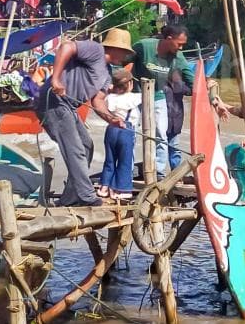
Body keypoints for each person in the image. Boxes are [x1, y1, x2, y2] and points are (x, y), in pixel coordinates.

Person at [36, 28, 132, 207]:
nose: (126, 55)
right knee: (75, 149)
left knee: (87, 146)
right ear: (114, 48)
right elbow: (66, 47)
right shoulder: (96, 50)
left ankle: (70, 197)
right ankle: (86, 195)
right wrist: (56, 79)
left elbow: (98, 101)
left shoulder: (107, 72)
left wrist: (111, 119)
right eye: (124, 51)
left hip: (69, 107)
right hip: (53, 101)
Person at [132, 24, 193, 179]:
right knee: (130, 132)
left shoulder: (178, 57)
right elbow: (121, 59)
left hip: (158, 96)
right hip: (136, 95)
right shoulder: (144, 46)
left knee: (161, 135)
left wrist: (208, 95)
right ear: (168, 38)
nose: (180, 48)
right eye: (179, 44)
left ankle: (158, 172)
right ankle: (128, 170)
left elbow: (190, 78)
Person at [99, 69, 140, 200]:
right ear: (129, 84)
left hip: (111, 130)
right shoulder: (134, 97)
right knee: (125, 161)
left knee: (110, 160)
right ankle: (121, 189)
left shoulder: (110, 98)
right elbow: (147, 95)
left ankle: (104, 187)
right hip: (126, 130)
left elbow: (106, 104)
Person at [164, 69, 192, 169]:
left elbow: (192, 90)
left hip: (175, 122)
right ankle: (160, 173)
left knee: (174, 147)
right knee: (164, 147)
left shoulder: (180, 85)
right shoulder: (162, 85)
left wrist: (205, 84)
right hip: (164, 121)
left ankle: (175, 172)